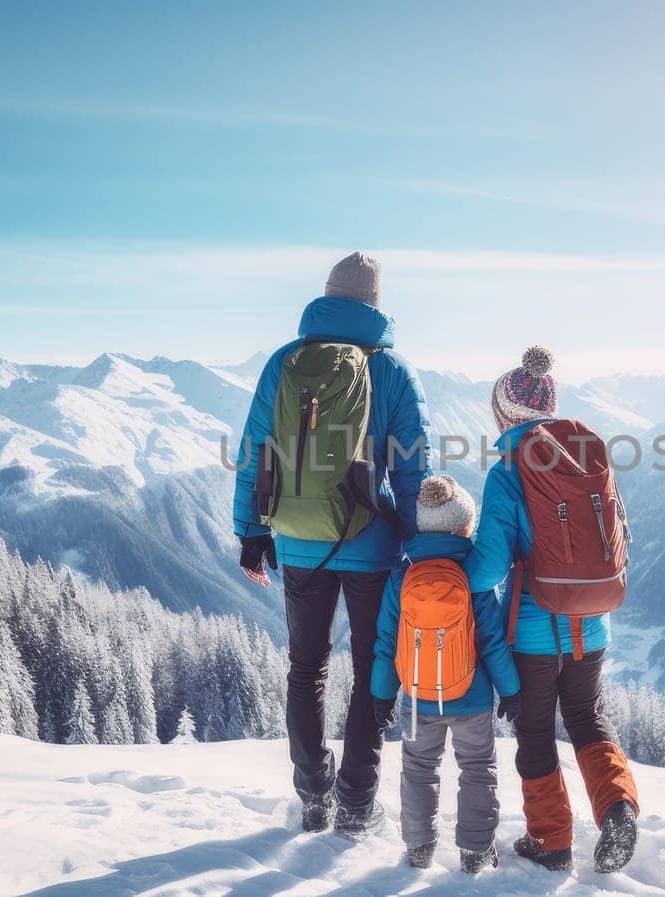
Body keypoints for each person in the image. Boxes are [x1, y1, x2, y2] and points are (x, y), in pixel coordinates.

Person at [232, 252, 433, 838]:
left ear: (326, 295)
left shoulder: (284, 362)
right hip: (370, 543)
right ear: (374, 303)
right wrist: (423, 548)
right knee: (373, 668)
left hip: (298, 542)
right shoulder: (392, 370)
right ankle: (357, 800)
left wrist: (252, 530)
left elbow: (254, 449)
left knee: (306, 669)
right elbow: (413, 472)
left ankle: (312, 795)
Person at [461, 346, 640, 873]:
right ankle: (619, 810)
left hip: (534, 634)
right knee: (588, 719)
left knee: (536, 731)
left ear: (504, 415)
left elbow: (490, 566)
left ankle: (552, 840)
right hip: (594, 622)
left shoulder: (508, 472)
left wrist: (450, 572)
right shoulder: (587, 456)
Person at [371, 475, 521, 873]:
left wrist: (381, 695)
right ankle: (475, 851)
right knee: (477, 769)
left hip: (419, 701)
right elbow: (490, 642)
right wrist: (511, 690)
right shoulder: (472, 578)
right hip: (470, 697)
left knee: (419, 769)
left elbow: (387, 642)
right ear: (463, 527)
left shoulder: (401, 577)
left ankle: (419, 848)